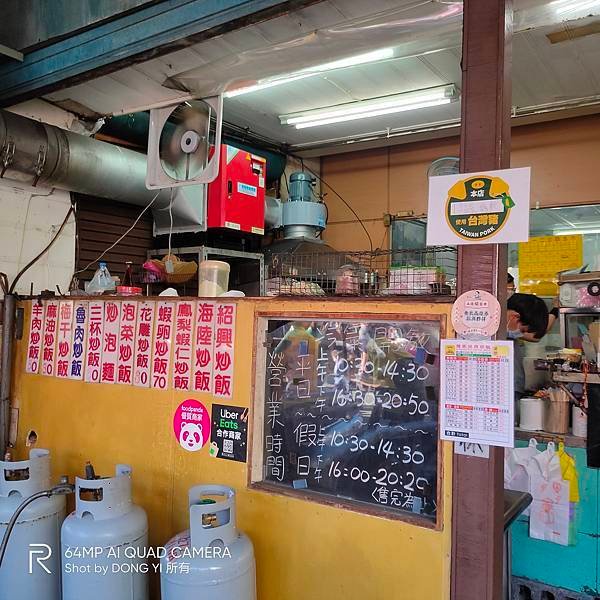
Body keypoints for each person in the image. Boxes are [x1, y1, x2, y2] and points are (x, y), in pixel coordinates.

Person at [507, 293, 549, 424]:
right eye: (523, 329)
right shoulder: (491, 331)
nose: (523, 334)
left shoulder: (508, 331)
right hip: (505, 392)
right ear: (515, 317)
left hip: (512, 388)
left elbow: (536, 336)